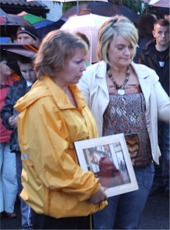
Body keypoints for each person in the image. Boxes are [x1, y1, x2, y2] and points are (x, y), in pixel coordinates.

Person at [78, 15, 170, 229]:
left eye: (131, 46)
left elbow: (166, 108)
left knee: (130, 226)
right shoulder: (89, 77)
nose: (128, 52)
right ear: (106, 47)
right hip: (105, 163)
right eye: (120, 47)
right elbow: (76, 117)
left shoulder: (146, 75)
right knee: (103, 226)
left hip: (142, 165)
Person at [14, 30, 107, 230]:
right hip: (58, 213)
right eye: (78, 62)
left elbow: (84, 142)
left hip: (77, 204)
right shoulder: (42, 103)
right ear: (56, 63)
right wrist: (90, 187)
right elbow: (52, 164)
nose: (84, 68)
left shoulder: (71, 91)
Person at [1, 55, 37, 229]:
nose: (29, 74)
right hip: (20, 144)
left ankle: (35, 221)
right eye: (24, 71)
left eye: (31, 70)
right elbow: (5, 111)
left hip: (39, 144)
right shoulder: (17, 87)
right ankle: (26, 224)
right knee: (24, 185)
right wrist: (10, 120)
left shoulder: (43, 85)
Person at [138, 18, 170, 196]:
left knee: (168, 147)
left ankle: (167, 183)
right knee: (153, 144)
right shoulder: (145, 54)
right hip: (151, 105)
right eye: (160, 32)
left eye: (166, 32)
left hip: (168, 105)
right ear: (154, 33)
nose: (163, 36)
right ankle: (157, 182)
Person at [0, 51, 18, 219]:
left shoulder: (15, 84)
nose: (9, 67)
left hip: (11, 135)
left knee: (10, 174)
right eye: (6, 64)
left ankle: (9, 208)